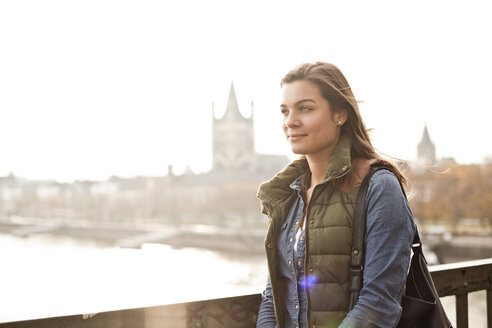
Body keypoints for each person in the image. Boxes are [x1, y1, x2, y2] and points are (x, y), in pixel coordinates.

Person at [256, 62, 415, 328]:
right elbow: (273, 296)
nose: (290, 121)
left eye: (305, 108)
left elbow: (379, 304)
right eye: (285, 111)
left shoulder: (378, 186)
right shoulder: (288, 194)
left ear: (340, 114)